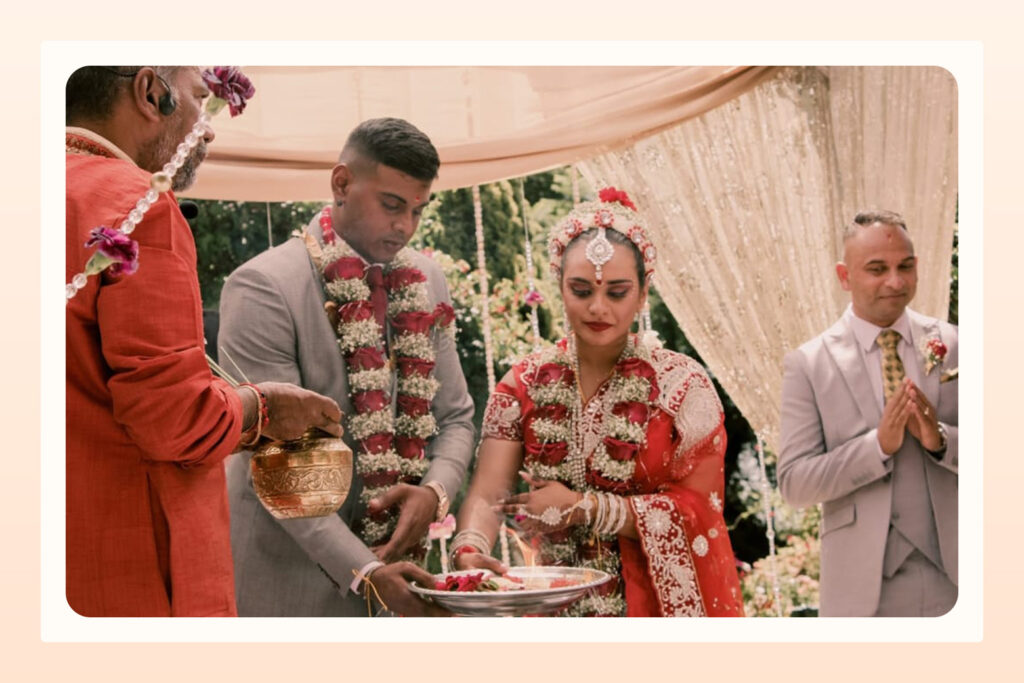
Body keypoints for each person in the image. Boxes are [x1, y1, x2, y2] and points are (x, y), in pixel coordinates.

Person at [66, 66, 343, 617]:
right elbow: (172, 419)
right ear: (152, 93)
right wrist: (263, 407)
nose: (209, 128)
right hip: (132, 572)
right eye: (199, 98)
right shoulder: (134, 205)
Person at [218, 117, 474, 617]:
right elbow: (278, 461)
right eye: (392, 205)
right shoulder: (263, 287)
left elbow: (456, 417)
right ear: (341, 184)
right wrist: (365, 571)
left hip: (398, 572)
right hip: (285, 583)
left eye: (418, 210)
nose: (405, 226)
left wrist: (435, 491)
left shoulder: (427, 279)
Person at [452, 188, 745, 617]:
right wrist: (471, 546)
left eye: (617, 292)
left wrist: (584, 509)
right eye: (581, 290)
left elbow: (699, 511)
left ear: (643, 294)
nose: (597, 308)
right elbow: (490, 489)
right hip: (557, 609)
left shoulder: (682, 386)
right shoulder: (525, 383)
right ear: (560, 288)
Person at [778, 210, 958, 617]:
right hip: (863, 593)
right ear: (845, 277)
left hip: (960, 580)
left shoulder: (954, 344)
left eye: (905, 267)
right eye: (877, 269)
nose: (895, 281)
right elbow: (794, 484)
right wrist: (875, 446)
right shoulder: (809, 364)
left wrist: (940, 439)